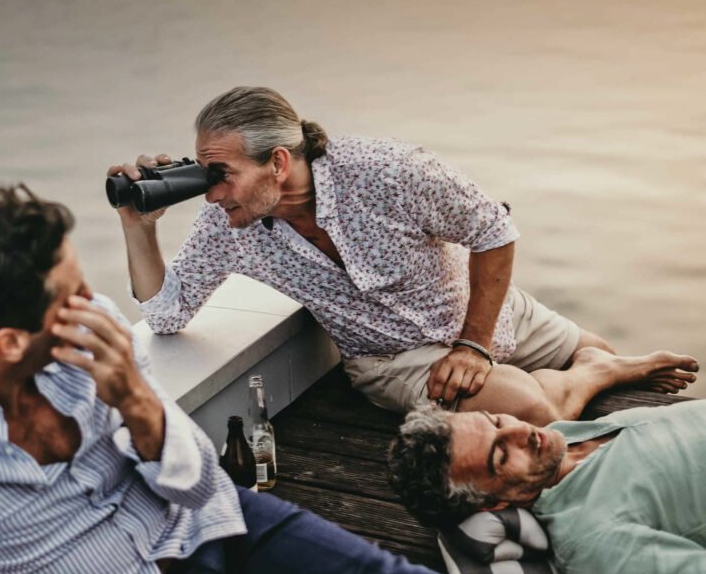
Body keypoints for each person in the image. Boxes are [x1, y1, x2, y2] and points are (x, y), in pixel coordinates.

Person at [0, 185, 580, 574]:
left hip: (218, 522)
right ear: (8, 340)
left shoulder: (90, 343)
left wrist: (138, 401)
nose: (93, 303)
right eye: (70, 295)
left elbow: (197, 479)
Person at [111, 86, 697, 423]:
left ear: (279, 163)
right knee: (532, 411)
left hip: (485, 316)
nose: (212, 194)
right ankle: (580, 377)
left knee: (621, 384)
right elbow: (165, 316)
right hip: (392, 358)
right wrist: (139, 226)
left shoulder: (387, 171)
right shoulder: (229, 224)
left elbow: (493, 229)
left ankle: (594, 370)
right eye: (205, 176)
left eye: (223, 175)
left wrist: (473, 342)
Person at [386, 399, 706, 574]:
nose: (520, 429)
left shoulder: (563, 437)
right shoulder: (594, 540)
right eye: (502, 455)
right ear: (494, 505)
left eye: (496, 420)